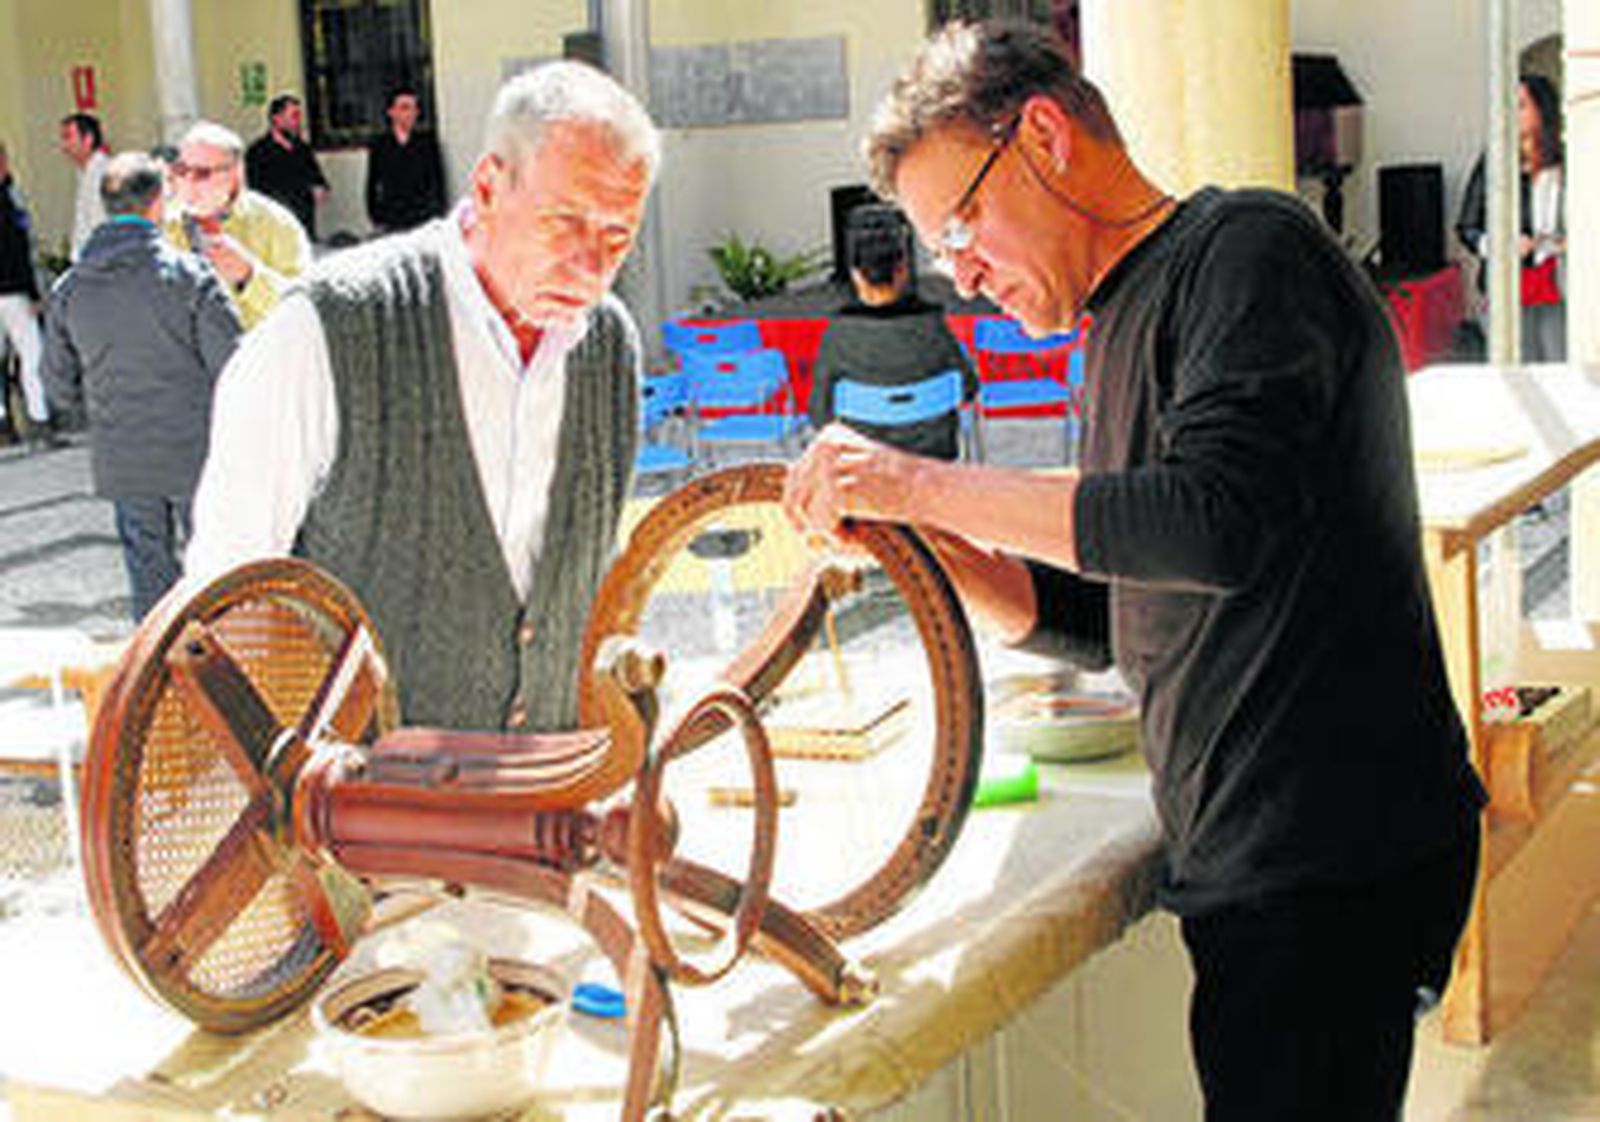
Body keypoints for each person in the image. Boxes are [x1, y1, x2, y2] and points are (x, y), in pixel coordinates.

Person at [784, 21, 1486, 1122]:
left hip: (1324, 859)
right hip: (1254, 867)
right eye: (939, 252)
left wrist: (915, 482)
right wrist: (918, 543)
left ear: (1044, 137)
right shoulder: (1114, 323)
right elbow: (1115, 606)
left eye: (960, 226)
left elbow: (1212, 525)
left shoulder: (1247, 253)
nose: (962, 273)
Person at [186, 61, 658, 733]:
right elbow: (225, 597)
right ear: (488, 186)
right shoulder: (326, 329)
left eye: (617, 237)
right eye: (564, 223)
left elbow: (587, 576)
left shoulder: (608, 344)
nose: (590, 267)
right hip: (363, 789)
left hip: (552, 786)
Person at [40, 152, 241, 620]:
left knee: (149, 573)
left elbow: (56, 384)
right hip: (194, 446)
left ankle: (158, 662)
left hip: (122, 448)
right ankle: (222, 656)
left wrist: (97, 406)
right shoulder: (192, 277)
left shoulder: (70, 288)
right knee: (212, 567)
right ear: (157, 204)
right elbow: (233, 365)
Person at [808, 203, 976, 460]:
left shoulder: (837, 336)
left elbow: (819, 414)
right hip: (933, 462)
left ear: (856, 275)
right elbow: (968, 388)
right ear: (903, 270)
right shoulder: (933, 326)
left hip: (867, 463)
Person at [1456, 73, 1565, 362]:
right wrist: (1502, 244)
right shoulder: (1495, 159)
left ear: (1543, 110)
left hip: (1558, 284)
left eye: (1521, 105)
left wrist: (1563, 242)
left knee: (1560, 365)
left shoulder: (1565, 161)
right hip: (1507, 285)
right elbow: (1467, 227)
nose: (1512, 114)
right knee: (1517, 368)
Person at [165, 120, 311, 329]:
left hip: (256, 347)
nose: (188, 183)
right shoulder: (157, 226)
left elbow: (305, 308)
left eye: (202, 173)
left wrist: (249, 276)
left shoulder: (277, 224)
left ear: (235, 175)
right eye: (181, 170)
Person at [0, 140, 54, 444]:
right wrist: (33, 293)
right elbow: (17, 251)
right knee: (33, 353)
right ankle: (40, 418)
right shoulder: (8, 200)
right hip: (12, 291)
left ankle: (3, 424)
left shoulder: (10, 196)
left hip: (9, 290)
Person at [245, 93, 330, 241]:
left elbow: (316, 176)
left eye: (299, 116)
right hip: (275, 225)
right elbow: (255, 191)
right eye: (294, 116)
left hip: (304, 222)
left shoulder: (302, 148)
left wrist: (320, 187)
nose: (298, 121)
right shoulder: (258, 152)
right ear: (277, 118)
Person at [366, 86, 448, 234]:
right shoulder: (380, 145)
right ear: (391, 112)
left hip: (422, 216)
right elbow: (373, 182)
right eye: (405, 108)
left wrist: (437, 212)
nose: (410, 113)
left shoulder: (426, 143)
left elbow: (437, 180)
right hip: (391, 217)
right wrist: (376, 216)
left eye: (414, 108)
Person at [59, 112, 108, 261]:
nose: (63, 146)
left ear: (88, 139)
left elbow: (99, 226)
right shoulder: (84, 172)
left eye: (68, 137)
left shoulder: (102, 173)